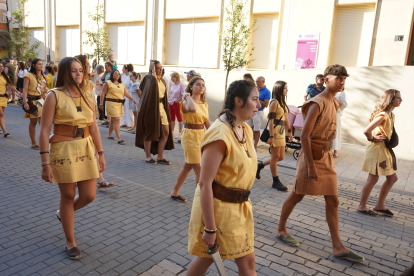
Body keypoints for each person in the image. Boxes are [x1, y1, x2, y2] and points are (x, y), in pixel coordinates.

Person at [275, 65, 365, 263]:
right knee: (297, 195)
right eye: (338, 77)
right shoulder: (317, 103)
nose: (342, 81)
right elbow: (304, 136)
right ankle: (281, 229)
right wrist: (312, 166)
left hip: (326, 158)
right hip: (311, 158)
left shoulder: (334, 103)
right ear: (326, 80)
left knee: (333, 200)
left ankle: (337, 246)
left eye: (344, 78)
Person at [186, 80, 259, 276]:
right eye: (254, 99)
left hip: (240, 210)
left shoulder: (246, 129)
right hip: (216, 211)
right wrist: (210, 229)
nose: (259, 105)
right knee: (206, 259)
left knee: (247, 261)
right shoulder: (220, 134)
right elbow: (204, 183)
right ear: (239, 101)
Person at [39, 57, 106, 260]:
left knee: (89, 195)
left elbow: (93, 126)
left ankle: (62, 213)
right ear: (66, 73)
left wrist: (101, 153)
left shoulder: (87, 93)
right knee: (68, 196)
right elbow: (43, 131)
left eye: (81, 70)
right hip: (63, 148)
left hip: (85, 147)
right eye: (74, 71)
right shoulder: (54, 95)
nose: (79, 74)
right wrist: (45, 163)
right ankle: (70, 242)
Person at [358, 89, 402, 217]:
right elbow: (367, 130)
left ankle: (380, 206)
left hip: (384, 150)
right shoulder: (383, 115)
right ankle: (362, 206)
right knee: (373, 179)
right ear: (390, 100)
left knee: (392, 178)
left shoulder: (391, 115)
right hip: (377, 150)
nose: (401, 100)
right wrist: (372, 138)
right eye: (398, 98)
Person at [170, 77, 210, 203]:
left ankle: (174, 192)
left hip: (201, 135)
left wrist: (215, 137)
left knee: (187, 166)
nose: (201, 87)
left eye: (203, 85)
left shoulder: (204, 104)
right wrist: (187, 96)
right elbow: (192, 109)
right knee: (199, 168)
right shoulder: (186, 102)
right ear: (191, 87)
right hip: (190, 136)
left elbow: (207, 123)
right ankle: (201, 200)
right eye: (198, 85)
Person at [256, 81, 293, 191]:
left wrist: (290, 131)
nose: (287, 90)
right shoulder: (274, 102)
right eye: (285, 88)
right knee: (275, 157)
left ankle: (260, 165)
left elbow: (285, 118)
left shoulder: (282, 102)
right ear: (279, 89)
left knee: (280, 157)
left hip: (281, 132)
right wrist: (271, 137)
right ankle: (275, 181)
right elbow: (271, 121)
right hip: (275, 132)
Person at [135, 60, 174, 164]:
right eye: (157, 68)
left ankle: (160, 156)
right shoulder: (149, 78)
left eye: (161, 68)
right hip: (151, 108)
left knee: (166, 131)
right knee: (150, 132)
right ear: (152, 69)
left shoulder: (162, 80)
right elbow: (150, 89)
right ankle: (148, 156)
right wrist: (153, 72)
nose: (160, 70)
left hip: (161, 107)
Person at [100, 69, 136, 145]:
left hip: (119, 104)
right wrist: (101, 104)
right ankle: (119, 138)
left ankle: (109, 135)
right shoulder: (108, 83)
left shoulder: (122, 84)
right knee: (116, 120)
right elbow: (103, 93)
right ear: (112, 75)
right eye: (115, 74)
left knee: (113, 120)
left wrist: (132, 99)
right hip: (111, 103)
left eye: (118, 74)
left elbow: (125, 93)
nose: (117, 75)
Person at [22, 58, 48, 149]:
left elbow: (45, 90)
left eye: (42, 64)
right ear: (33, 65)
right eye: (39, 64)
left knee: (44, 123)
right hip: (32, 102)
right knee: (33, 122)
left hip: (43, 102)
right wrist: (25, 102)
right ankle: (33, 142)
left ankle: (44, 142)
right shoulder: (28, 76)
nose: (41, 66)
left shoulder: (45, 77)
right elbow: (25, 90)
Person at [246, 76, 271, 150]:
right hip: (250, 111)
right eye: (256, 81)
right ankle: (246, 143)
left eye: (258, 82)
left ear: (263, 82)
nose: (256, 83)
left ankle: (255, 145)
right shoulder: (254, 89)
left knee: (256, 129)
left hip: (259, 112)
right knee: (246, 127)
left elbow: (266, 104)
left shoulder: (267, 91)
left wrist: (256, 99)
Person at [0, 61, 20, 136]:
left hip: (3, 98)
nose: (1, 68)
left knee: (1, 114)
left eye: (2, 66)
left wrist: (18, 92)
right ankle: (5, 131)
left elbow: (11, 86)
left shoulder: (5, 76)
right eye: (0, 66)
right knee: (1, 114)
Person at [168, 72, 185, 139]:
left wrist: (177, 101)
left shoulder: (181, 85)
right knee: (172, 118)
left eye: (172, 77)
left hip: (177, 103)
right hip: (171, 102)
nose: (171, 79)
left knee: (179, 118)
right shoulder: (171, 84)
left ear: (176, 77)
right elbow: (170, 93)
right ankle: (172, 131)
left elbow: (183, 94)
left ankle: (180, 133)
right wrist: (168, 100)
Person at [332, 88, 347, 158]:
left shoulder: (342, 93)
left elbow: (344, 105)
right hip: (327, 112)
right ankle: (326, 150)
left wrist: (337, 100)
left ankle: (335, 151)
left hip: (336, 113)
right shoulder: (329, 90)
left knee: (335, 131)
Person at [120, 64, 134, 129]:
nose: (122, 70)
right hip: (123, 93)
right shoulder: (123, 77)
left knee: (128, 109)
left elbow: (130, 85)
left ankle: (130, 124)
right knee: (124, 108)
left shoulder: (130, 76)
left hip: (128, 93)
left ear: (126, 69)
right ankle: (124, 122)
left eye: (123, 69)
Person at [100, 62, 113, 126]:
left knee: (111, 106)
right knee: (107, 106)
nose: (105, 68)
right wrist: (104, 74)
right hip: (106, 91)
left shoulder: (113, 73)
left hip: (111, 91)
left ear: (110, 66)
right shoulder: (107, 73)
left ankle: (111, 121)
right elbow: (102, 79)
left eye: (106, 67)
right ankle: (108, 120)